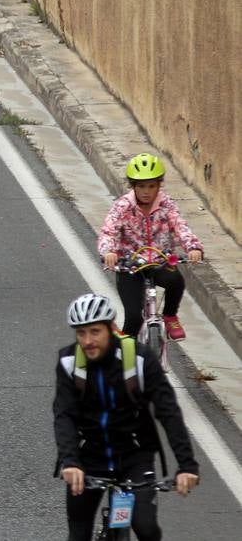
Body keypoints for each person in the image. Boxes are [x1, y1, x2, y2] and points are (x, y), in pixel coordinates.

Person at [55, 293, 200, 541]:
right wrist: (70, 462)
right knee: (78, 534)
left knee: (146, 528)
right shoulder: (69, 362)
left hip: (135, 455)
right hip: (88, 456)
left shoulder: (140, 360)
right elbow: (64, 415)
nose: (87, 341)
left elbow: (168, 412)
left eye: (94, 331)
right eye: (81, 333)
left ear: (112, 328)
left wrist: (186, 466)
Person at [97, 154, 204, 341]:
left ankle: (170, 316)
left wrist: (193, 247)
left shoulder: (166, 204)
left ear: (159, 186)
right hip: (129, 265)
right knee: (133, 318)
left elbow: (180, 226)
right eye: (141, 186)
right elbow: (109, 231)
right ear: (133, 186)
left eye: (152, 186)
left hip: (159, 261)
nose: (147, 192)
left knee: (176, 281)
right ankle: (125, 358)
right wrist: (109, 252)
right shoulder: (123, 206)